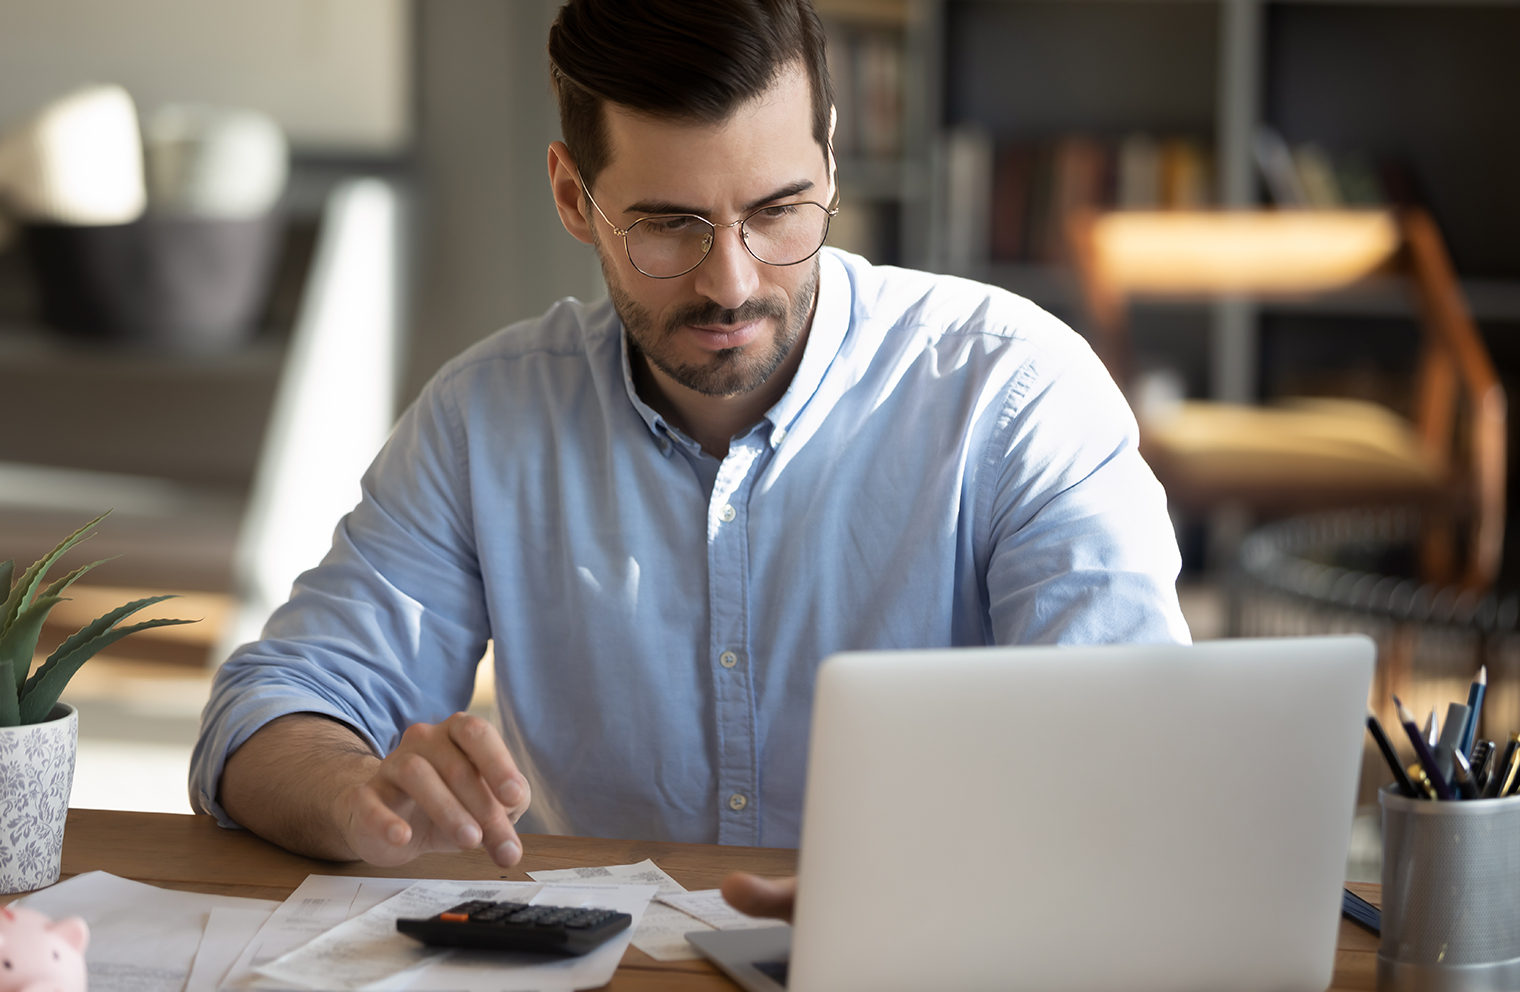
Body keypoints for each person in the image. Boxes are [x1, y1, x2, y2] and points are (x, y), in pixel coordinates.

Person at [191, 0, 1189, 876]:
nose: (732, 281)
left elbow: (1139, 755)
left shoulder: (1012, 392)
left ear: (829, 161)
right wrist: (357, 793)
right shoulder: (483, 419)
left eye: (778, 211)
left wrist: (920, 890)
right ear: (572, 197)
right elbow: (268, 707)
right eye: (669, 225)